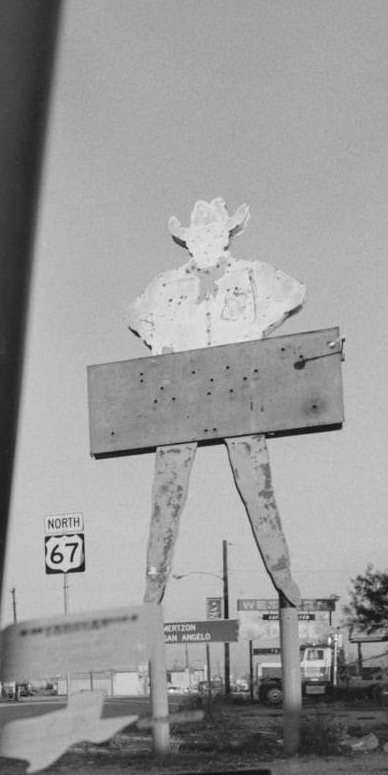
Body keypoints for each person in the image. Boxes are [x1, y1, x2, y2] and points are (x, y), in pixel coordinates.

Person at [127, 198, 305, 605]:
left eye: (213, 233)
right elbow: (136, 315)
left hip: (239, 392)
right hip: (180, 398)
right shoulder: (166, 285)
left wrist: (259, 325)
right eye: (199, 235)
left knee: (258, 489)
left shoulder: (253, 274)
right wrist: (160, 341)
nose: (207, 240)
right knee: (165, 496)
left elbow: (294, 293)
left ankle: (283, 577)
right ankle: (153, 587)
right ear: (189, 240)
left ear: (226, 235)